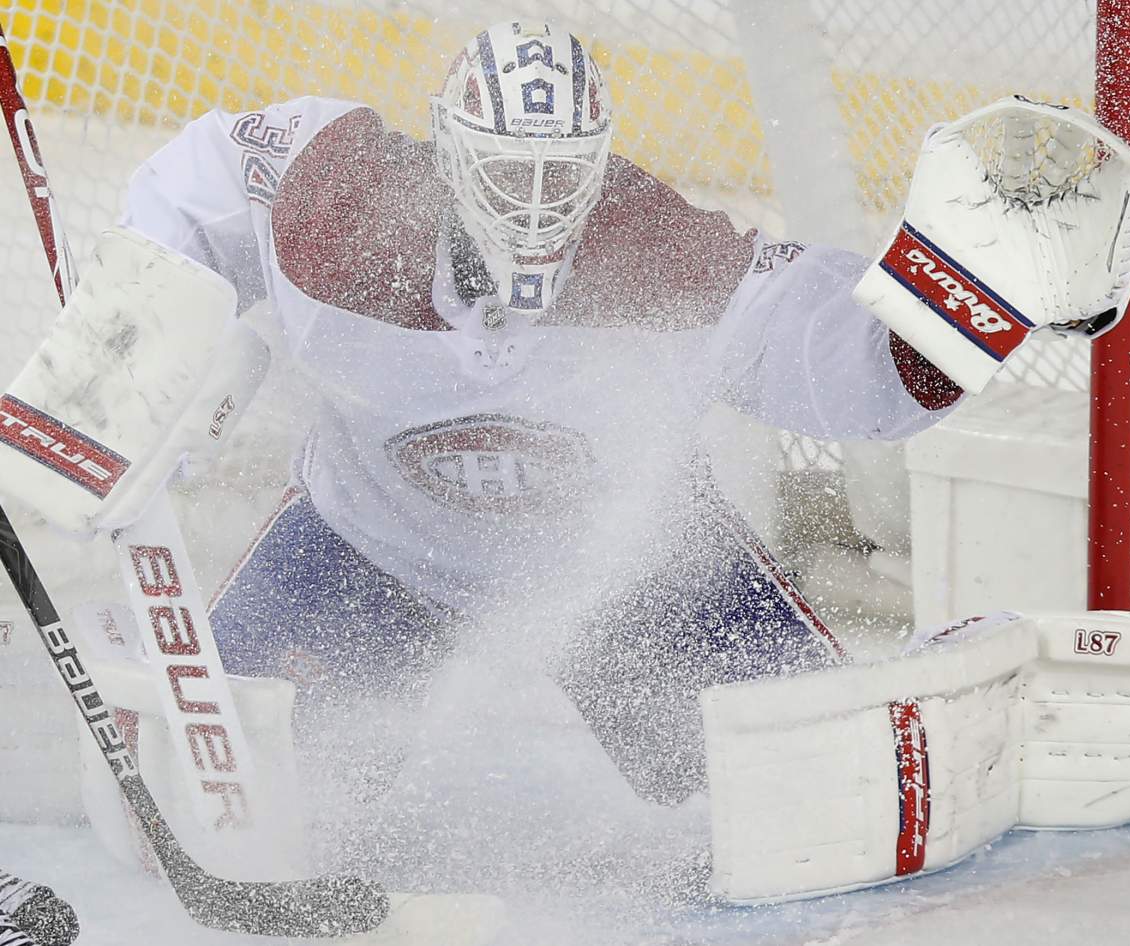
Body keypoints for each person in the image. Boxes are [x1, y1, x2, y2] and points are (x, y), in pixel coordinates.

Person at [110, 21, 1079, 805]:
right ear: (448, 150)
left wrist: (968, 300)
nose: (535, 208)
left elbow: (850, 367)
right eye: (506, 173)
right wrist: (127, 368)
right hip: (373, 556)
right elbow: (189, 196)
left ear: (599, 162)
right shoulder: (341, 202)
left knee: (822, 791)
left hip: (634, 579)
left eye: (562, 175)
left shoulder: (659, 258)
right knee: (211, 791)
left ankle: (945, 658)